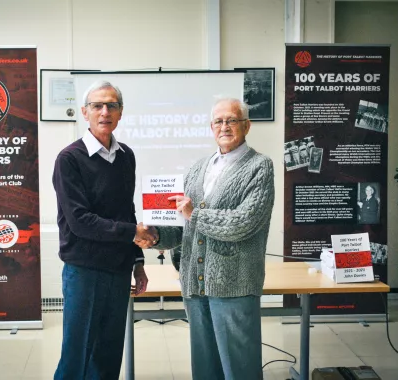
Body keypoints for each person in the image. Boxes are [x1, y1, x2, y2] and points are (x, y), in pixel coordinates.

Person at [138, 97, 275, 380]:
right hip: (194, 283)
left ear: (246, 126)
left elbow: (244, 222)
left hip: (234, 283)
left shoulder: (260, 166)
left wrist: (194, 214)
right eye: (219, 121)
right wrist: (156, 236)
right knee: (205, 367)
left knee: (240, 367)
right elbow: (184, 228)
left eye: (232, 120)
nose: (225, 126)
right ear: (211, 127)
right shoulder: (197, 168)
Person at [52, 80, 157, 380]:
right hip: (84, 270)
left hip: (119, 270)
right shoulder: (69, 159)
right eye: (97, 105)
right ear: (85, 112)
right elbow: (79, 221)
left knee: (109, 355)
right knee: (77, 356)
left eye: (112, 105)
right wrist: (131, 233)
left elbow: (127, 211)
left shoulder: (126, 156)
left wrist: (137, 263)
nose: (104, 111)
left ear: (121, 112)